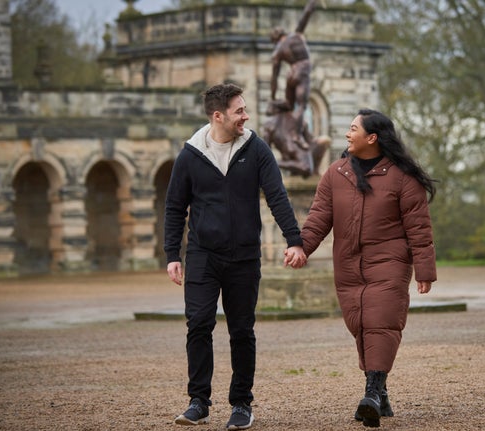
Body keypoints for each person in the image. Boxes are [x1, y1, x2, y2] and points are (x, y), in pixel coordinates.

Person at [165, 83, 307, 429]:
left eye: (244, 109)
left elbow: (277, 197)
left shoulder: (256, 150)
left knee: (242, 330)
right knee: (198, 323)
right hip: (201, 254)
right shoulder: (190, 154)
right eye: (239, 110)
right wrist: (172, 253)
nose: (246, 115)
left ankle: (241, 404)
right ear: (218, 116)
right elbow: (174, 207)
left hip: (244, 256)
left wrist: (295, 240)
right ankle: (198, 401)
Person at [284, 109, 437, 428]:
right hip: (348, 266)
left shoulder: (403, 177)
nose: (346, 134)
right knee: (361, 324)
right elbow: (318, 219)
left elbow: (419, 228)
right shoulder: (335, 174)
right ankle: (380, 391)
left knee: (381, 322)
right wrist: (301, 247)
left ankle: (370, 392)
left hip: (390, 262)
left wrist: (424, 269)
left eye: (353, 129)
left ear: (372, 138)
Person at [270, 0, 319, 143]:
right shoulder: (296, 35)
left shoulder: (277, 53)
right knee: (301, 106)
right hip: (302, 69)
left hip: (291, 74)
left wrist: (273, 96)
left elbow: (274, 78)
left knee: (289, 105)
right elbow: (306, 13)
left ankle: (275, 107)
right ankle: (295, 135)